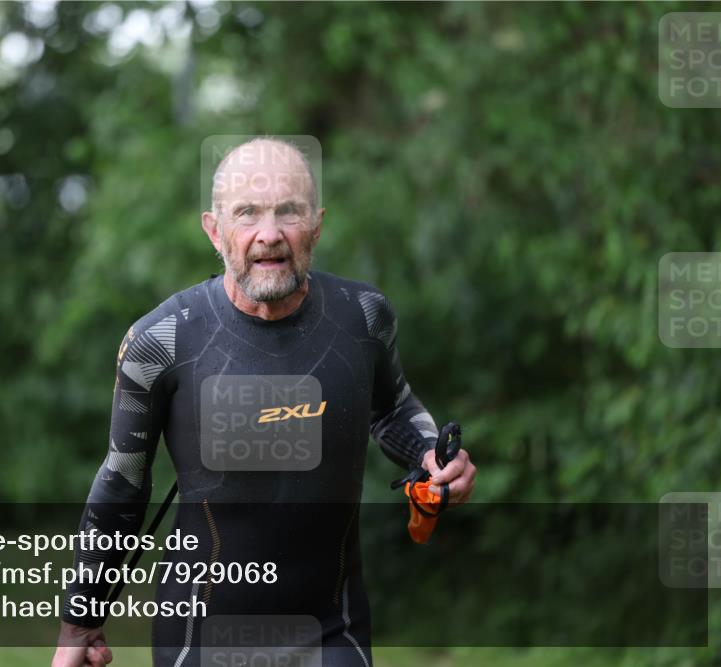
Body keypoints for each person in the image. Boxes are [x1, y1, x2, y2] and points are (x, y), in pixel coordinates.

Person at [52, 137, 477, 667]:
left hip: (333, 631)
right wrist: (80, 623)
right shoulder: (160, 342)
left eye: (289, 212)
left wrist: (432, 456)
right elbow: (123, 483)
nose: (269, 234)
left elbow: (393, 409)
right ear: (214, 230)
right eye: (247, 213)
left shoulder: (364, 318)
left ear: (317, 225)